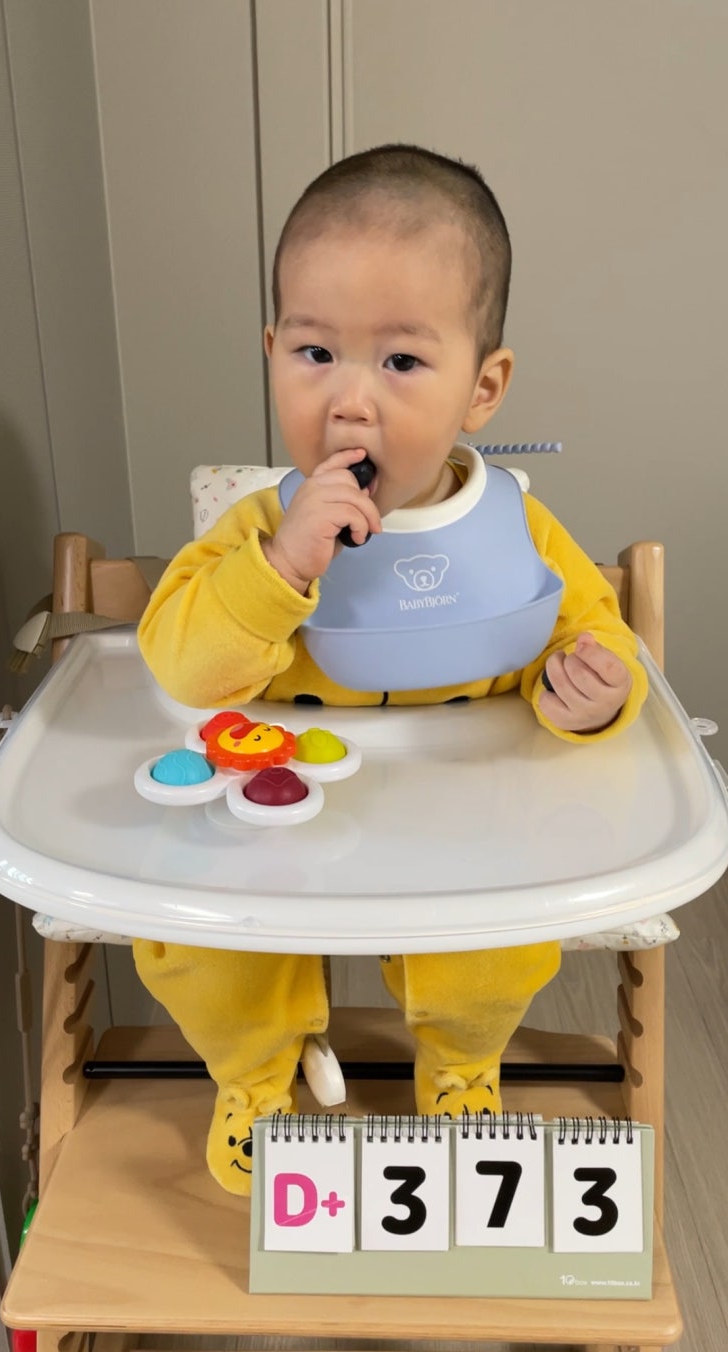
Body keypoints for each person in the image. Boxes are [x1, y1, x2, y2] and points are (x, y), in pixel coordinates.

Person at [136, 144, 647, 1195]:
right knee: (198, 940)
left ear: (482, 386)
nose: (351, 401)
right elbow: (179, 661)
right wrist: (279, 568)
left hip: (462, 825)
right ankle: (254, 1074)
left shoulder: (515, 530)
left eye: (402, 362)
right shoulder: (259, 525)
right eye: (315, 352)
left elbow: (589, 638)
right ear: (271, 352)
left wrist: (595, 693)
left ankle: (460, 1063)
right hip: (280, 826)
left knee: (499, 941)